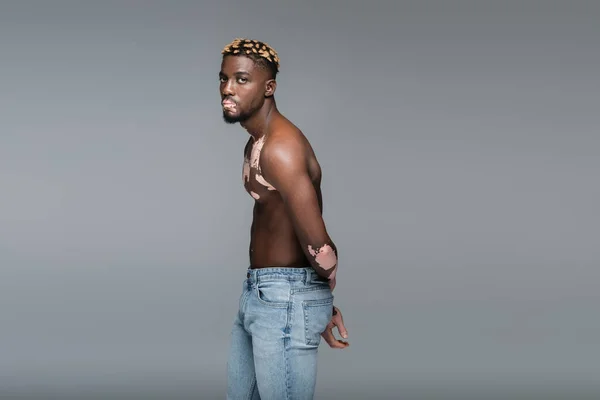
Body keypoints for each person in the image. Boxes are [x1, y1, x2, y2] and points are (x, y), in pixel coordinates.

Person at [219, 38, 349, 399]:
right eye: (224, 78)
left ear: (269, 87)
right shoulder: (256, 141)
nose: (228, 89)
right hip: (265, 296)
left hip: (285, 300)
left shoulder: (280, 147)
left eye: (241, 79)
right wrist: (316, 303)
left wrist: (313, 301)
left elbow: (320, 248)